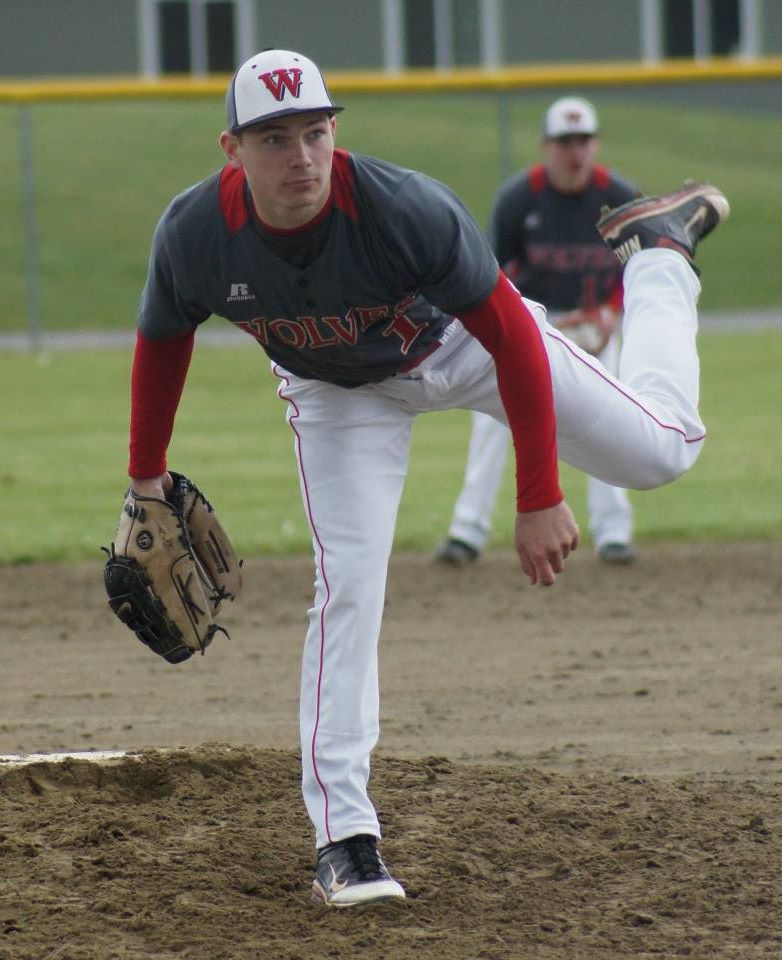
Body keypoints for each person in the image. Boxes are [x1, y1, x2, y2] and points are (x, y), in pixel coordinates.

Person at [125, 48, 728, 907]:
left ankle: (660, 254)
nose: (301, 157)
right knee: (347, 586)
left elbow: (511, 337)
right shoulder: (195, 234)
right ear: (232, 150)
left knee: (663, 453)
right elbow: (162, 342)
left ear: (335, 133)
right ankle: (345, 840)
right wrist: (145, 479)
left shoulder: (401, 208)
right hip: (339, 395)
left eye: (315, 132)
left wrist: (539, 496)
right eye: (274, 139)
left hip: (466, 348)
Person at [436, 96, 639, 568]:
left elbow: (637, 266)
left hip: (597, 325)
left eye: (583, 141)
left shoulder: (619, 195)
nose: (574, 152)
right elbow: (491, 272)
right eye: (565, 142)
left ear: (595, 144)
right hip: (530, 323)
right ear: (546, 146)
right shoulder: (518, 198)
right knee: (491, 421)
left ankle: (614, 532)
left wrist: (612, 310)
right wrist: (528, 322)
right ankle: (467, 530)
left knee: (610, 422)